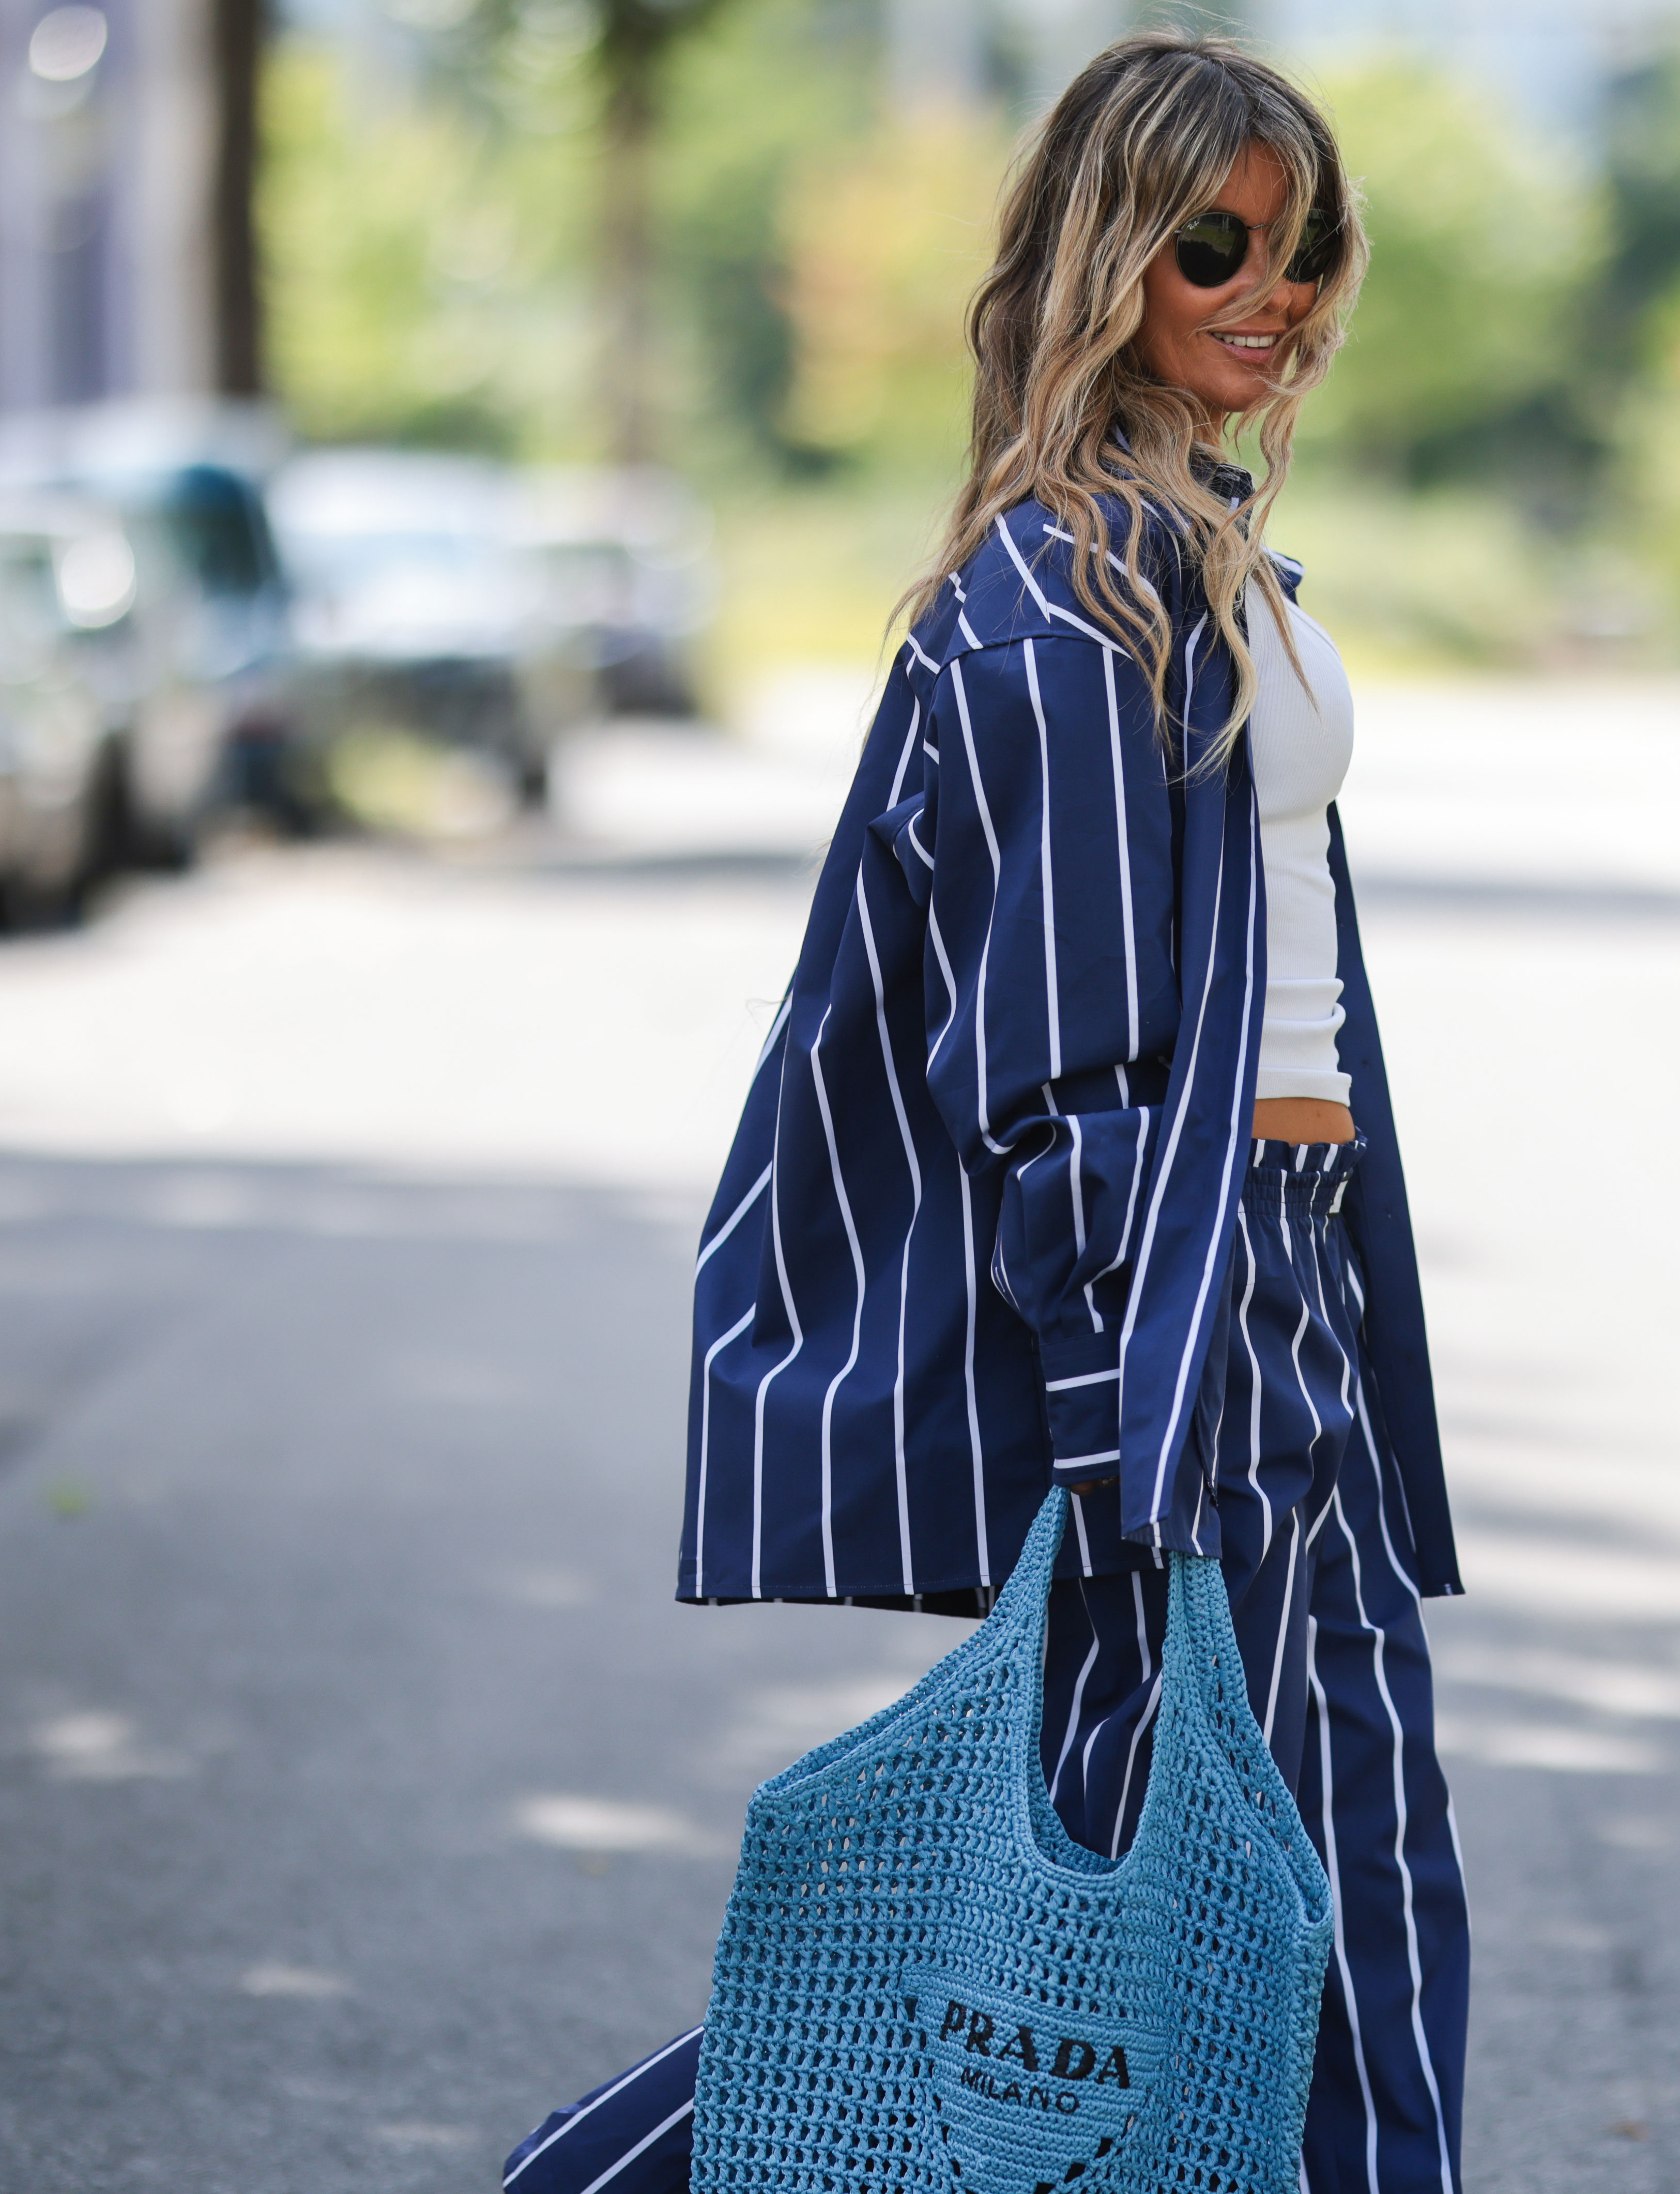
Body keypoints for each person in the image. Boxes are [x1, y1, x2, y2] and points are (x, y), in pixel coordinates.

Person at [501, 32, 1464, 2194]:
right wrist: (1143, 1429)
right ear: (1106, 251)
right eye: (1213, 240)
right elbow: (1060, 1074)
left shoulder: (1172, 552)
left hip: (1259, 1286)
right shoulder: (1067, 601)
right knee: (1323, 1889)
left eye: (1306, 249)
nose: (1270, 287)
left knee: (1175, 1881)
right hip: (1189, 1316)